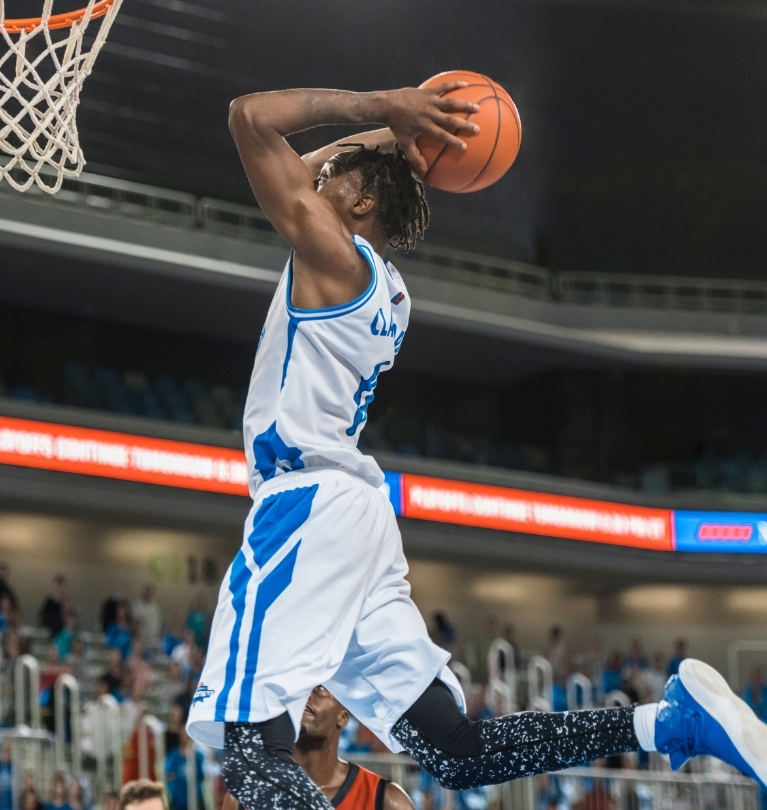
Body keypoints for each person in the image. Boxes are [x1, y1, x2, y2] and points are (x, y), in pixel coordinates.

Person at [184, 81, 767, 809]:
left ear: (360, 205)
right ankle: (669, 724)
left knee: (249, 750)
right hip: (357, 515)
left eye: (336, 179)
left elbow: (248, 118)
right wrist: (394, 141)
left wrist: (384, 106)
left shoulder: (333, 259)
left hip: (304, 504)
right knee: (451, 747)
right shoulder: (385, 288)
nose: (316, 176)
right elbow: (304, 168)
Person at [224, 685, 413, 810]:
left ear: (343, 716)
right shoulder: (243, 797)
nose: (306, 696)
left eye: (320, 689)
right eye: (300, 689)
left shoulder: (386, 800)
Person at [132, 585, 162, 652]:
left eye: (150, 593)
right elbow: (136, 624)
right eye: (147, 592)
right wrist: (137, 639)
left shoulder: (155, 606)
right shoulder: (138, 606)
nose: (148, 594)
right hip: (142, 640)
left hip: (153, 640)